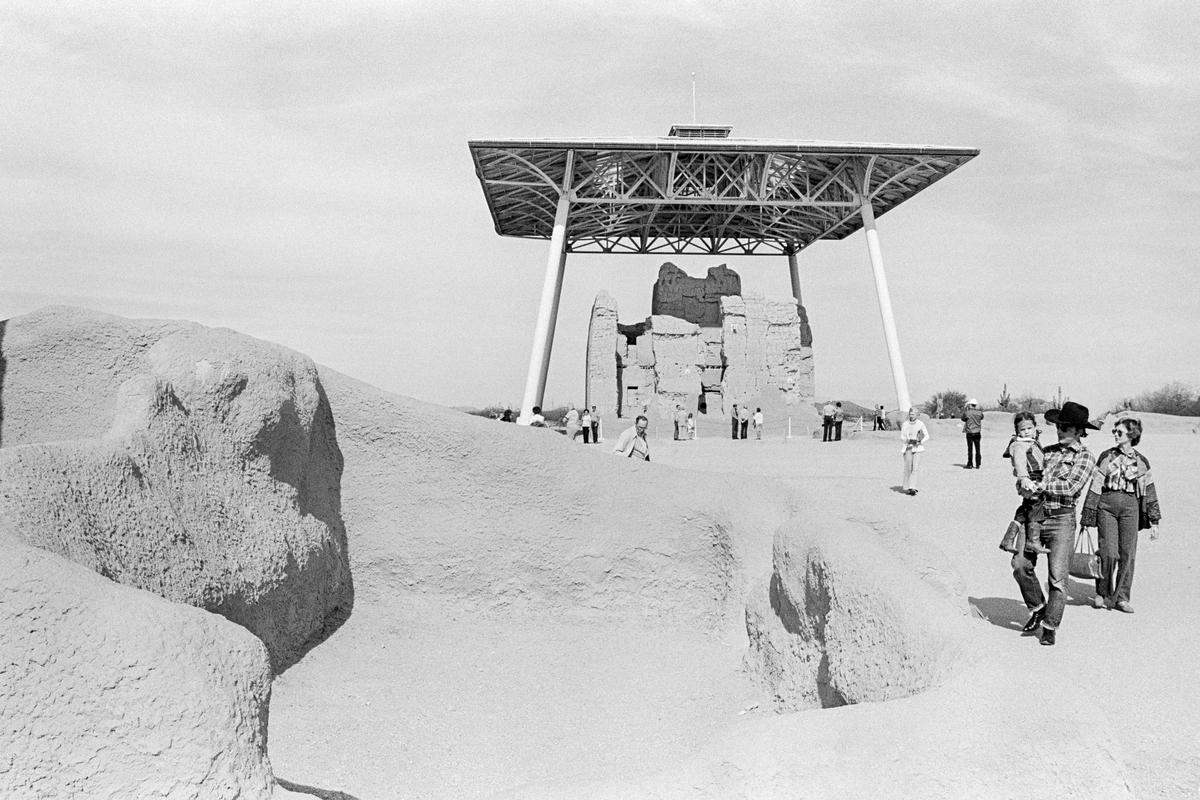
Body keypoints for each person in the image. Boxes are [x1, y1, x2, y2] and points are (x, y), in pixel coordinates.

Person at [1012, 401, 1099, 646]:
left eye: (1067, 427)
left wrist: (1039, 486)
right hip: (1034, 516)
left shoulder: (1085, 456)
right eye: (1059, 425)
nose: (1060, 430)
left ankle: (1050, 625)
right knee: (1020, 565)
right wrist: (1023, 484)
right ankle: (1038, 606)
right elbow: (1023, 477)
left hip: (1062, 519)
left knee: (1058, 579)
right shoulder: (1045, 450)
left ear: (1080, 431)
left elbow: (1071, 487)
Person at [1080, 417, 1161, 613]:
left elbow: (1149, 490)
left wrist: (1154, 520)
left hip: (1131, 507)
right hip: (1106, 505)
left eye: (1120, 432)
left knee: (1128, 554)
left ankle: (1122, 597)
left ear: (1132, 435)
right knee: (1108, 552)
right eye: (1115, 431)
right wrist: (1087, 515)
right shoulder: (1106, 456)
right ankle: (1102, 593)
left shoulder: (1141, 461)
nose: (1115, 434)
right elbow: (1095, 485)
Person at [1000, 411, 1049, 555]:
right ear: (1017, 431)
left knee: (1025, 508)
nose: (1026, 432)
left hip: (1034, 477)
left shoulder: (1031, 442)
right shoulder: (1019, 445)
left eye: (1029, 428)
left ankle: (1008, 539)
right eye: (1022, 429)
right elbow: (1020, 462)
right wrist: (1024, 478)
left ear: (1034, 427)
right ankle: (1033, 541)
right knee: (1036, 505)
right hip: (1030, 479)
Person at [899, 407, 928, 496]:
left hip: (918, 448)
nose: (911, 416)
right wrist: (907, 440)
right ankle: (907, 487)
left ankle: (913, 487)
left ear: (917, 415)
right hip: (908, 448)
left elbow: (927, 436)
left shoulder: (920, 424)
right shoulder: (905, 424)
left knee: (915, 468)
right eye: (910, 414)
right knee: (908, 468)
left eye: (913, 414)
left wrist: (920, 441)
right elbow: (902, 436)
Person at [961, 398, 984, 469]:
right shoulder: (980, 413)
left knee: (970, 449)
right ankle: (978, 464)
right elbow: (982, 418)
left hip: (970, 432)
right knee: (978, 448)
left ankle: (970, 464)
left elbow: (963, 418)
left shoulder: (967, 412)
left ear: (970, 405)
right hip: (977, 432)